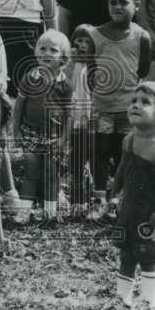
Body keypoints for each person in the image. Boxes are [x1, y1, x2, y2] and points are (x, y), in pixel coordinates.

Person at [100, 81, 155, 310]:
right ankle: (121, 300)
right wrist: (114, 196)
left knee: (148, 259)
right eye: (134, 101)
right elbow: (123, 171)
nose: (135, 105)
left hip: (151, 215)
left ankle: (147, 304)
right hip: (129, 211)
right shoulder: (129, 140)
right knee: (126, 255)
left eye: (145, 102)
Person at [88, 0, 151, 213]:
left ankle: (119, 198)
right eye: (112, 2)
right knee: (100, 151)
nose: (117, 7)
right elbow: (91, 72)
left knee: (124, 152)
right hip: (102, 107)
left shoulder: (141, 36)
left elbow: (142, 70)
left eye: (123, 2)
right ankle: (99, 198)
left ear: (136, 4)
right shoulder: (95, 34)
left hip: (128, 108)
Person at [11, 29, 72, 223]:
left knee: (51, 174)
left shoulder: (65, 85)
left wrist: (64, 139)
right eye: (42, 48)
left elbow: (69, 115)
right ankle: (25, 211)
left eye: (53, 50)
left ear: (63, 56)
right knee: (31, 172)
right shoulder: (30, 77)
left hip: (53, 136)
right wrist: (16, 131)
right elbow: (19, 107)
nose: (46, 53)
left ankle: (50, 212)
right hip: (30, 133)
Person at [67, 24, 96, 216]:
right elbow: (66, 81)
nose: (83, 45)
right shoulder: (72, 64)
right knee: (76, 157)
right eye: (79, 40)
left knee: (93, 156)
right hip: (74, 118)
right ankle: (77, 200)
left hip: (91, 118)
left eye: (88, 41)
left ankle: (94, 196)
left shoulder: (96, 65)